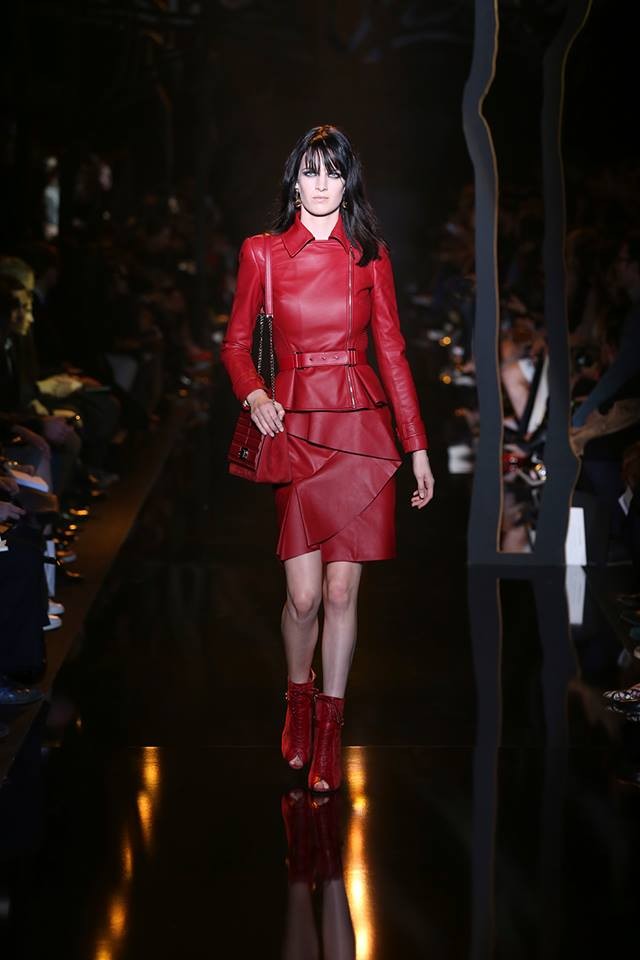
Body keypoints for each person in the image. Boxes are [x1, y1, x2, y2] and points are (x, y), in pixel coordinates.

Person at [221, 125, 434, 793]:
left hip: (360, 431)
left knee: (342, 592)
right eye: (310, 171)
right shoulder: (261, 252)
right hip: (294, 424)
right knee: (305, 596)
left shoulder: (370, 255)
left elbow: (392, 351)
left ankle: (331, 729)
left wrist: (417, 445)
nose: (320, 184)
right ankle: (298, 696)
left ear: (348, 182)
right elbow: (234, 344)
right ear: (294, 180)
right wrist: (255, 393)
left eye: (333, 172)